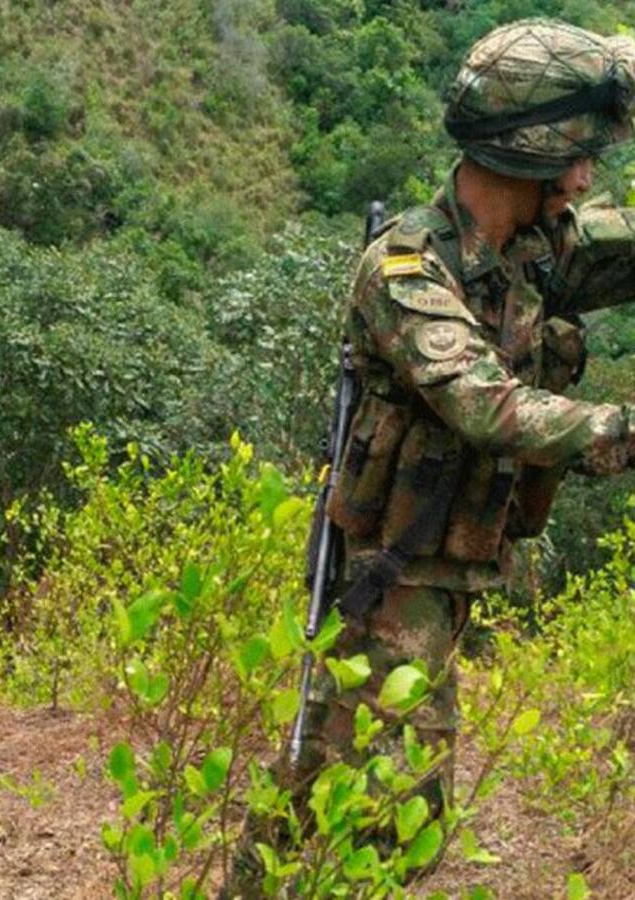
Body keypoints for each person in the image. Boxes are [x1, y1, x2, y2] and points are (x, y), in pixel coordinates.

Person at [231, 17, 635, 895]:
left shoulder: (534, 250)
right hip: (393, 576)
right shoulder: (407, 271)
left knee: (317, 784)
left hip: (444, 573)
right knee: (390, 820)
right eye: (573, 158)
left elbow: (622, 245)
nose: (584, 177)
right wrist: (618, 430)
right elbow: (484, 406)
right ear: (522, 156)